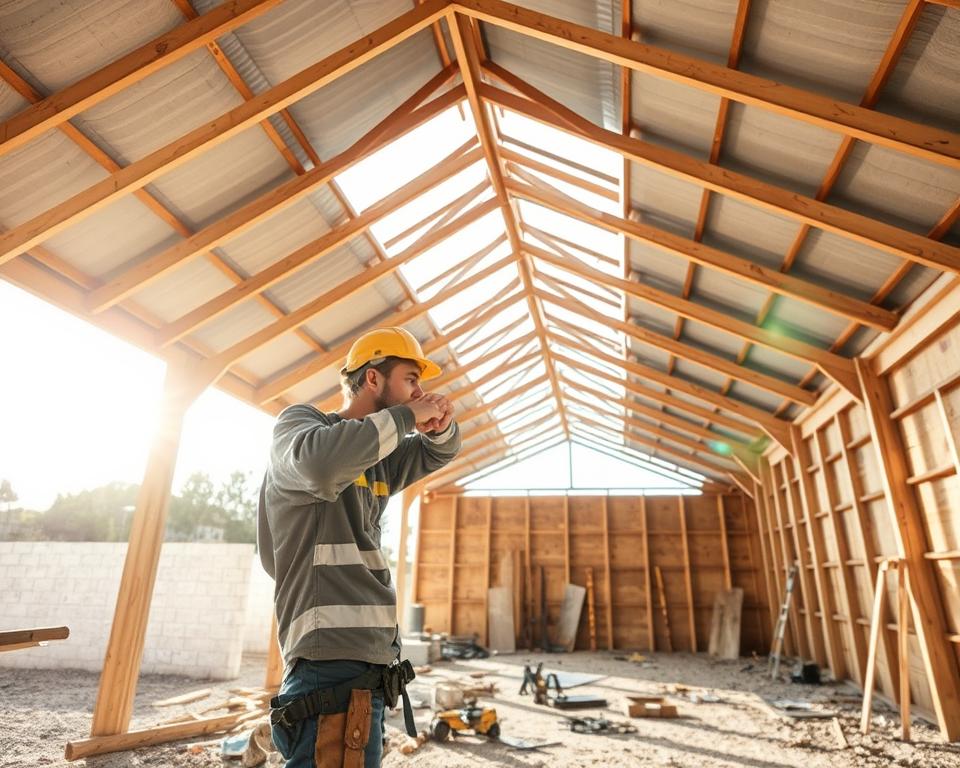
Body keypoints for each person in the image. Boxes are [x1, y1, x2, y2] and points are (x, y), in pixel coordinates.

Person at [257, 327, 461, 767]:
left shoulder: (378, 456)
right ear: (373, 379)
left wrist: (441, 426)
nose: (419, 391)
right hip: (326, 655)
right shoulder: (302, 425)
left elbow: (437, 453)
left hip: (365, 663)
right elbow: (320, 463)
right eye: (411, 378)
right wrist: (408, 418)